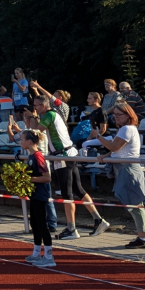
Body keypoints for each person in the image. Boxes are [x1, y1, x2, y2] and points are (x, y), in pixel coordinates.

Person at [32, 93, 109, 239]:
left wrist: (24, 127)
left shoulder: (49, 115)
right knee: (77, 189)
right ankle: (98, 219)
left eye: (35, 106)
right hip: (68, 154)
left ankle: (71, 229)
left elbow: (36, 133)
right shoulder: (52, 114)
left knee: (67, 193)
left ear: (43, 105)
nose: (34, 108)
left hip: (62, 156)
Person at [96, 103, 145, 249]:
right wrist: (105, 155)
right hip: (123, 168)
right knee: (134, 204)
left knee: (135, 204)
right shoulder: (126, 129)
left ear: (128, 115)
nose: (116, 118)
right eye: (114, 115)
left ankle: (144, 237)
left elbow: (114, 147)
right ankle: (143, 236)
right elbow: (116, 150)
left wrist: (98, 136)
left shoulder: (127, 128)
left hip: (128, 169)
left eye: (119, 115)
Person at [21, 129, 54, 267]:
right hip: (34, 194)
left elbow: (47, 177)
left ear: (29, 142)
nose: (20, 142)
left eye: (22, 140)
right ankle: (36, 253)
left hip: (41, 195)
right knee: (34, 224)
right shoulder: (30, 156)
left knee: (42, 225)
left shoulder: (38, 156)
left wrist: (28, 179)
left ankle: (49, 256)